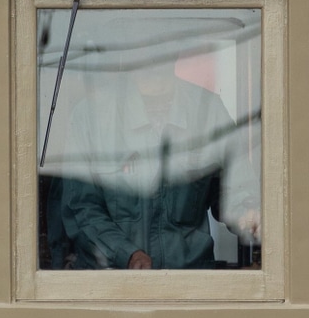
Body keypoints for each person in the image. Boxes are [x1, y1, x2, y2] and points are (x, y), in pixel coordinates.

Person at [61, 38, 260, 269]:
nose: (152, 52)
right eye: (142, 40)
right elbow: (81, 208)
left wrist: (250, 215)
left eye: (161, 40)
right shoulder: (90, 115)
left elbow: (234, 190)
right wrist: (127, 254)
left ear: (175, 48)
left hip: (189, 283)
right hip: (113, 284)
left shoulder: (208, 110)